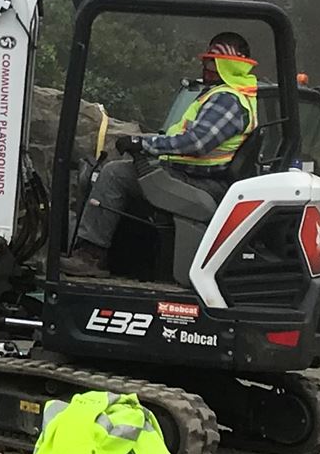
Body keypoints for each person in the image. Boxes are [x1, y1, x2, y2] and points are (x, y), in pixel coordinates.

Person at [63, 31, 261, 277]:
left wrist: (143, 144)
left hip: (201, 183)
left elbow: (196, 143)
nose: (204, 66)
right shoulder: (232, 96)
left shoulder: (226, 100)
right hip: (194, 177)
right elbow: (180, 138)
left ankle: (91, 256)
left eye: (211, 61)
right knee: (126, 171)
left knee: (115, 174)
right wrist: (144, 142)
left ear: (227, 65)